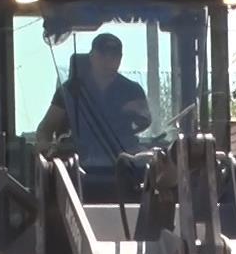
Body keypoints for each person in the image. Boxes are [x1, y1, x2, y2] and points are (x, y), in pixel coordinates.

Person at [35, 32, 152, 166]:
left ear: (120, 59)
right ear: (91, 56)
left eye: (114, 55)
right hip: (77, 162)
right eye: (102, 54)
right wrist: (46, 147)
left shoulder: (132, 90)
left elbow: (145, 120)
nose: (108, 60)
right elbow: (46, 127)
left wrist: (138, 112)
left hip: (123, 160)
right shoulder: (70, 90)